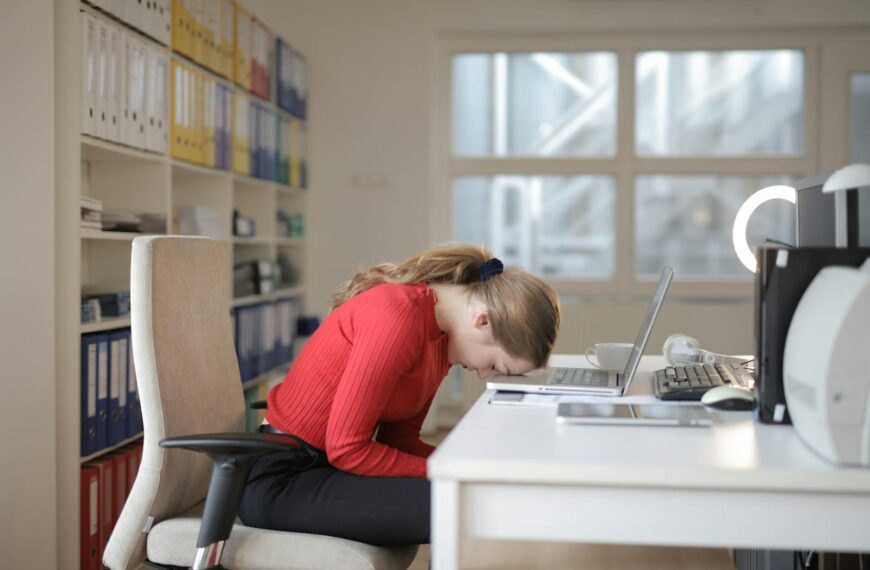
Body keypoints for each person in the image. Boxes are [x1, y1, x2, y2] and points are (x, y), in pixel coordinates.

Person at [239, 243, 561, 546]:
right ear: (483, 321)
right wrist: (451, 470)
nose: (485, 374)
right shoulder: (398, 315)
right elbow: (347, 448)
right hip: (283, 479)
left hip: (326, 470)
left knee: (473, 496)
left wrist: (467, 465)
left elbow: (400, 440)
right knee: (464, 507)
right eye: (495, 365)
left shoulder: (441, 342)